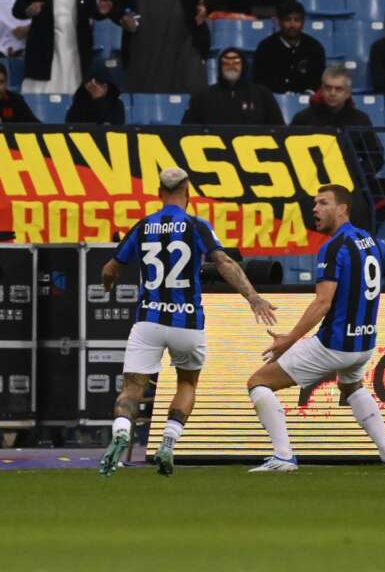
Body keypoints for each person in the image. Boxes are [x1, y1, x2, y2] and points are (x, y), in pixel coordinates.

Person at [98, 167, 277, 477]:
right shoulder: (196, 225)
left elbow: (111, 268)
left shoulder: (143, 226)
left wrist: (108, 284)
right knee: (186, 383)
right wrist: (253, 297)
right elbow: (224, 262)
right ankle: (168, 442)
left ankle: (121, 432)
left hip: (148, 321)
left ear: (158, 194)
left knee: (132, 388)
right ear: (189, 194)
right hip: (187, 323)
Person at [247, 184, 385, 472]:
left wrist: (289, 339)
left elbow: (322, 302)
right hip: (363, 345)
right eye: (315, 203)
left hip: (334, 345)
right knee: (352, 385)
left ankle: (283, 456)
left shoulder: (333, 247)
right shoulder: (371, 240)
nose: (315, 209)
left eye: (323, 203)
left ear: (342, 209)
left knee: (258, 383)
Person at [291, 66, 385, 228]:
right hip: (311, 183)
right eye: (328, 88)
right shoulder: (303, 118)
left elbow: (375, 157)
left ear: (348, 93)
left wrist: (356, 176)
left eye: (338, 89)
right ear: (321, 89)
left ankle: (363, 230)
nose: (332, 93)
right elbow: (290, 154)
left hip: (350, 183)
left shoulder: (360, 119)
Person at [14, 0, 115, 94]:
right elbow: (17, 10)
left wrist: (102, 10)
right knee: (42, 92)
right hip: (43, 48)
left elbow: (93, 10)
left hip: (75, 48)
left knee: (75, 90)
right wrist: (29, 11)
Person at [117, 0, 210, 94]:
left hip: (180, 57)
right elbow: (115, 9)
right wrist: (123, 19)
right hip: (143, 58)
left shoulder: (188, 2)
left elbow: (200, 25)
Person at [182, 47, 284, 125]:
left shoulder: (262, 95)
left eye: (236, 62)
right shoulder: (203, 97)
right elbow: (187, 130)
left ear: (243, 66)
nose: (231, 66)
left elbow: (278, 129)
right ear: (219, 67)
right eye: (226, 62)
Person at [253, 0, 325, 94]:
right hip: (273, 102)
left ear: (303, 22)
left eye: (297, 20)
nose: (292, 25)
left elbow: (318, 82)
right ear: (279, 21)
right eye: (287, 20)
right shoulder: (265, 47)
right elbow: (260, 83)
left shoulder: (315, 47)